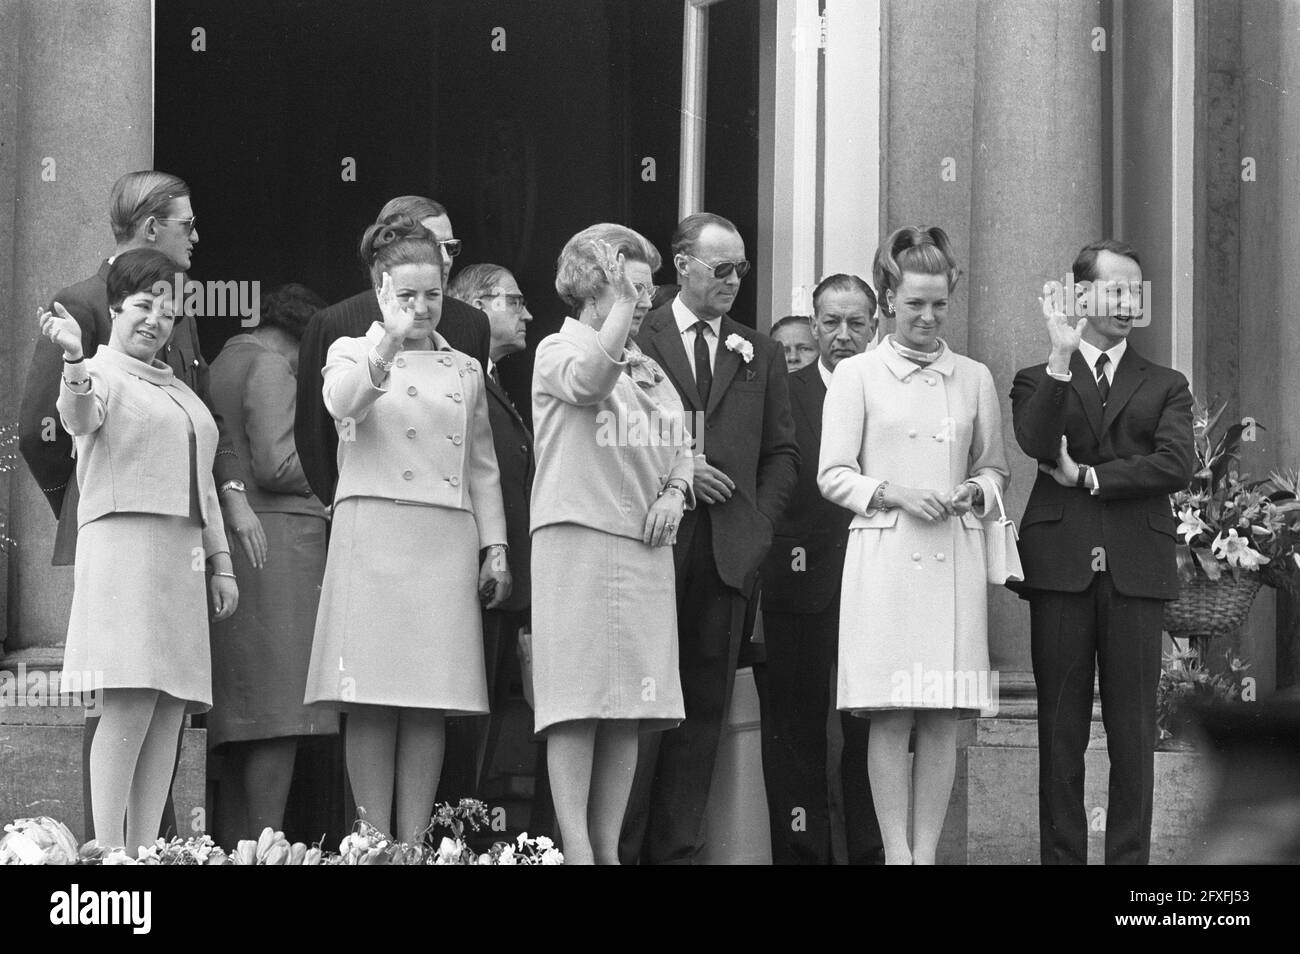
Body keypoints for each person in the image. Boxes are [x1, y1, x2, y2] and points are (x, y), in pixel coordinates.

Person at [17, 169, 259, 841]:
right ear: (116, 309)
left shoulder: (174, 373)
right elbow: (65, 419)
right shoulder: (87, 337)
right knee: (125, 701)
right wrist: (93, 501)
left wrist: (219, 560)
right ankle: (110, 854)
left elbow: (202, 468)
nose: (157, 318)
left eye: (167, 307)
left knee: (168, 706)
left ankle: (148, 852)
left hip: (179, 557)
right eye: (142, 307)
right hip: (121, 548)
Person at [302, 215, 510, 843]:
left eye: (433, 294)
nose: (421, 308)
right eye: (407, 295)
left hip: (443, 541)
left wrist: (495, 548)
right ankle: (370, 841)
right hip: (373, 534)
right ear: (381, 291)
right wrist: (386, 342)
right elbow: (341, 401)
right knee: (370, 694)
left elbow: (482, 467)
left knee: (427, 697)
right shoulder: (351, 349)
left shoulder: (467, 368)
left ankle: (416, 846)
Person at [818, 226, 1010, 865]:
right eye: (913, 304)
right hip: (887, 558)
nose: (927, 317)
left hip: (952, 556)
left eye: (938, 304)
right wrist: (894, 492)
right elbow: (833, 474)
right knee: (892, 712)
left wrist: (974, 494)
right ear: (888, 301)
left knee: (941, 717)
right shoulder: (858, 374)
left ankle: (925, 855)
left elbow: (995, 468)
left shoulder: (974, 376)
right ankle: (896, 855)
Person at [621, 212, 799, 864]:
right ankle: (619, 848)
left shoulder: (761, 350)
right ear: (682, 264)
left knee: (702, 716)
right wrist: (678, 463)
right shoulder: (638, 334)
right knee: (637, 711)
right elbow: (609, 430)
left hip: (727, 554)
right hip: (648, 545)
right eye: (720, 268)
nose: (733, 280)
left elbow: (782, 453)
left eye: (742, 269)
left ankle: (677, 852)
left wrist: (758, 527)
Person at [1010, 239, 1194, 865]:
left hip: (1136, 571)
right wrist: (1062, 354)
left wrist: (1091, 476)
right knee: (1058, 733)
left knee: (1133, 735)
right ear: (1079, 293)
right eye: (1114, 289)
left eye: (1135, 291)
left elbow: (1175, 462)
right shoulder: (1038, 377)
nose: (1126, 302)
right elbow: (1037, 441)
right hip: (1061, 568)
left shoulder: (1166, 383)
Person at [531, 225, 690, 864]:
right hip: (579, 541)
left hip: (644, 550)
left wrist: (676, 491)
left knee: (628, 705)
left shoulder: (649, 366)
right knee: (577, 700)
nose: (648, 297)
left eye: (647, 285)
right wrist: (621, 313)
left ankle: (607, 847)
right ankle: (575, 848)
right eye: (635, 284)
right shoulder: (556, 349)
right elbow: (592, 382)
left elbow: (683, 446)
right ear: (596, 286)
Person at [206, 283, 340, 841]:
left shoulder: (224, 359)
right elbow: (279, 462)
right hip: (280, 554)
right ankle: (266, 847)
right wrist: (340, 483)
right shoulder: (273, 366)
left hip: (241, 554)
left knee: (243, 719)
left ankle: (238, 843)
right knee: (280, 717)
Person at [757, 274, 883, 864]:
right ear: (813, 324)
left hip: (879, 583)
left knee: (871, 733)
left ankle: (871, 854)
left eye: (855, 322)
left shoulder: (891, 388)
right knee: (795, 735)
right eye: (829, 323)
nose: (842, 335)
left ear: (875, 324)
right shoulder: (781, 389)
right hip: (796, 583)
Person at [295, 196, 492, 506]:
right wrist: (345, 501)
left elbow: (475, 443)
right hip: (372, 506)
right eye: (431, 243)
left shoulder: (472, 322)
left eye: (450, 247)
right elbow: (317, 431)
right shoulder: (335, 323)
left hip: (446, 509)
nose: (444, 258)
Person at [442, 263, 535, 798]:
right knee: (463, 721)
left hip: (501, 579)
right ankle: (446, 839)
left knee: (486, 723)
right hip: (469, 575)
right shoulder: (459, 375)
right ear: (477, 306)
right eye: (514, 301)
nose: (527, 313)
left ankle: (461, 836)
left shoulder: (492, 378)